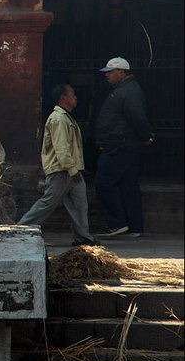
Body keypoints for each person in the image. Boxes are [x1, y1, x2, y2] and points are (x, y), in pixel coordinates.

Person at [17, 84, 99, 246]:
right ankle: (20, 229)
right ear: (63, 98)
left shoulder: (66, 117)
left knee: (79, 203)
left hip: (71, 170)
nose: (75, 98)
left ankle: (83, 237)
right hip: (63, 170)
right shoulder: (59, 119)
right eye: (72, 95)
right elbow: (61, 147)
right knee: (48, 203)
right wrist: (72, 169)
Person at [94, 57, 153, 238]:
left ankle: (117, 223)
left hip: (119, 145)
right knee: (128, 185)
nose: (107, 76)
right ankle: (133, 227)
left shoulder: (128, 91)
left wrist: (145, 136)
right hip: (125, 145)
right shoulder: (126, 90)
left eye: (111, 72)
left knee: (104, 183)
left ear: (122, 72)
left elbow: (137, 116)